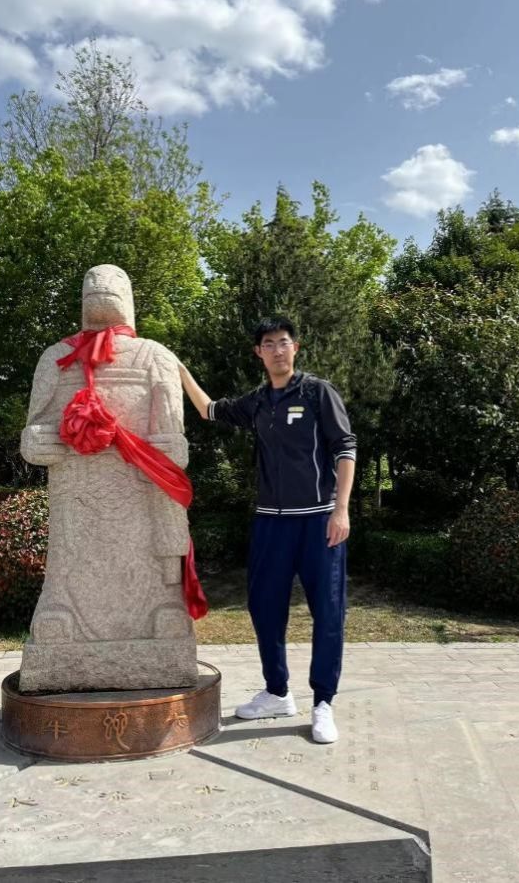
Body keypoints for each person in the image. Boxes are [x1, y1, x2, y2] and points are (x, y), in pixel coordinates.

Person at [178, 316, 356, 743]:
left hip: (318, 521)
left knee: (328, 612)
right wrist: (178, 368)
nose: (277, 350)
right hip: (270, 523)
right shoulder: (257, 401)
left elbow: (346, 447)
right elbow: (207, 409)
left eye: (284, 342)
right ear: (259, 353)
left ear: (296, 348)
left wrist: (341, 511)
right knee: (264, 607)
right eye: (269, 344)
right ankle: (277, 692)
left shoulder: (316, 392)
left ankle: (323, 703)